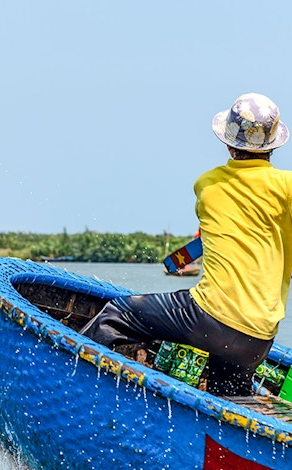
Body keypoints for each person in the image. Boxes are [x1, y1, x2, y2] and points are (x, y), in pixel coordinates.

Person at [81, 93, 292, 396]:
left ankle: (63, 387)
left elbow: (225, 229)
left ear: (229, 143)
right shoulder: (287, 189)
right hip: (257, 340)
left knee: (115, 315)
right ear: (272, 146)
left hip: (209, 317)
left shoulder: (208, 185)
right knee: (228, 399)